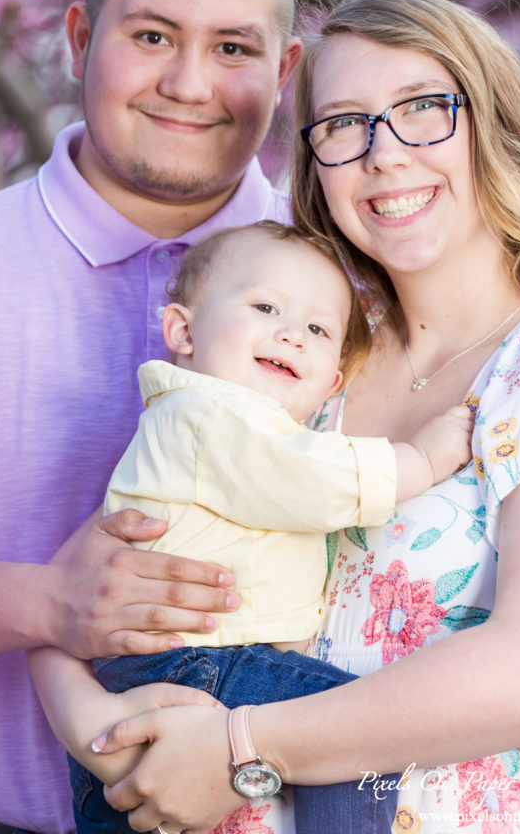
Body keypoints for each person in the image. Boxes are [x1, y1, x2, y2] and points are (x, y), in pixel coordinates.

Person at [40, 0, 520, 834]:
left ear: (493, 126)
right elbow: (74, 595)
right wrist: (100, 730)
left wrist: (237, 747)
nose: (383, 154)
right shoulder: (308, 359)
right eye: (344, 125)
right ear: (315, 164)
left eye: (423, 110)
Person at [0, 0, 304, 834]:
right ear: (79, 38)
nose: (189, 85)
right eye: (151, 36)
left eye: (233, 48)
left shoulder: (352, 291)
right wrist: (43, 603)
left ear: (283, 74)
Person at [67, 219, 474, 833]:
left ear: (331, 383)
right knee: (354, 734)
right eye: (265, 306)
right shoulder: (204, 412)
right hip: (194, 660)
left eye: (317, 329)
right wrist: (419, 459)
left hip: (175, 663)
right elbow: (310, 480)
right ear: (182, 330)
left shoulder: (245, 427)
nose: (292, 334)